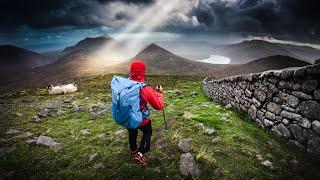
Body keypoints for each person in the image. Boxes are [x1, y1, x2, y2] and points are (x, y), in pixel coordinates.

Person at [127, 60, 164, 166]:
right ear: (143, 72)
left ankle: (133, 152)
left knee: (132, 132)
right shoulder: (145, 88)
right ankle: (140, 153)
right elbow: (159, 106)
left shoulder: (125, 84)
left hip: (128, 117)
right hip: (141, 119)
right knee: (147, 132)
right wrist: (159, 93)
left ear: (131, 71)